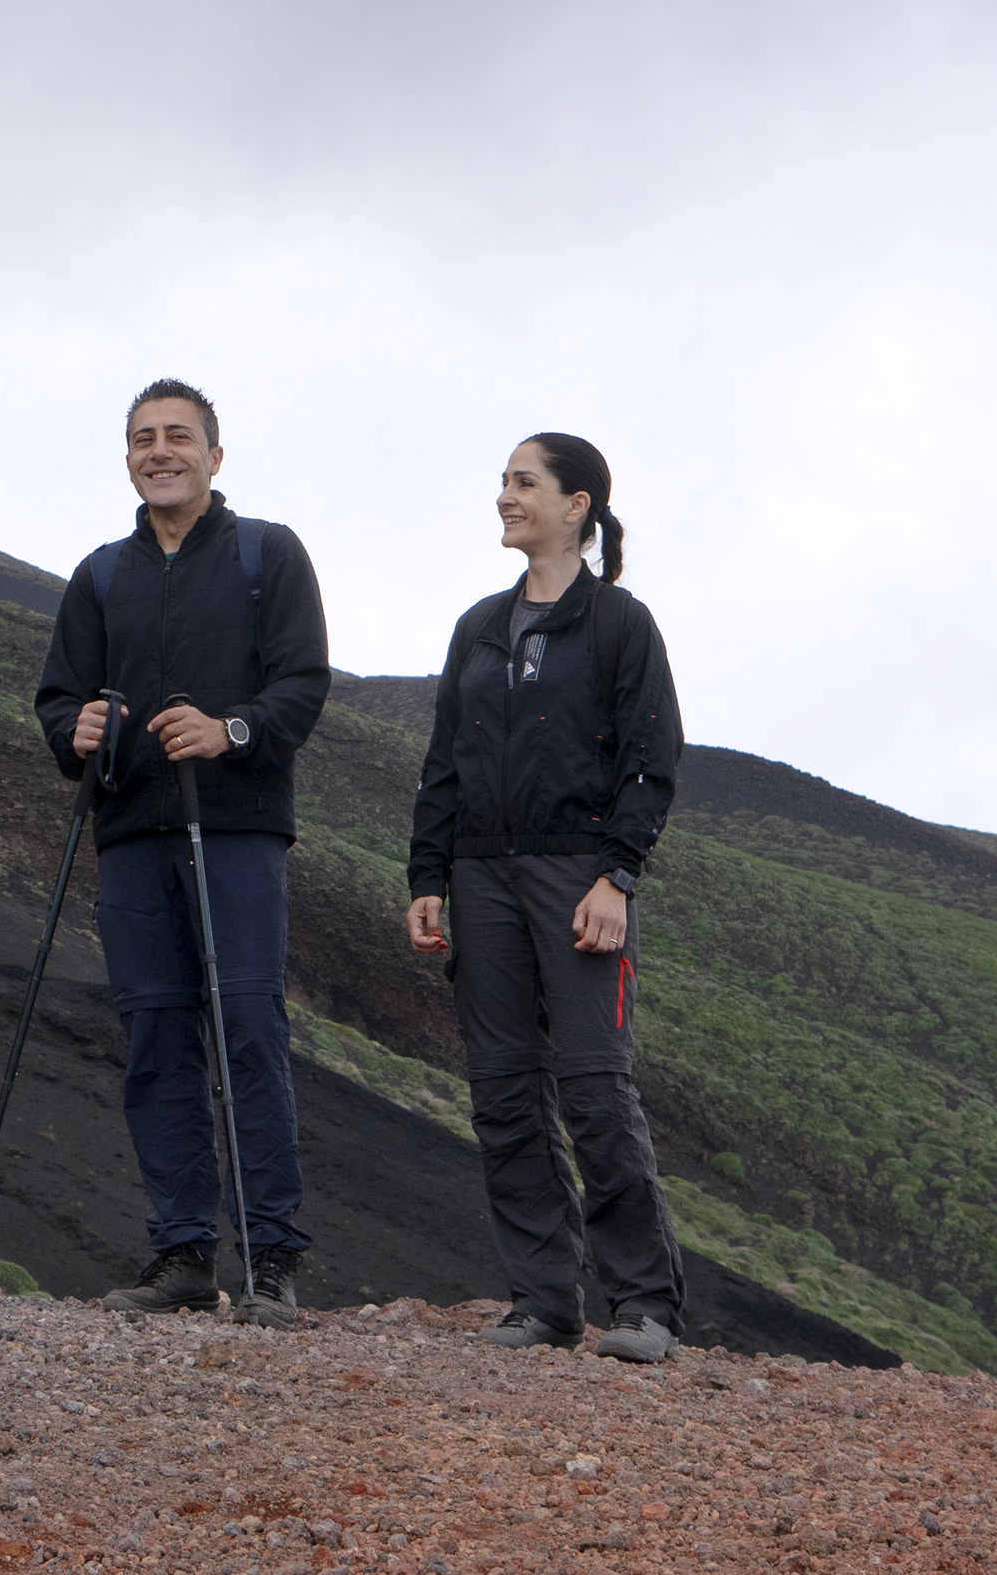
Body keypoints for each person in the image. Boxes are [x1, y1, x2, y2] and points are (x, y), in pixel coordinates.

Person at [34, 378, 332, 1325]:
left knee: (248, 1031)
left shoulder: (265, 555)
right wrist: (74, 728)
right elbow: (56, 699)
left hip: (237, 832)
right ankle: (182, 1255)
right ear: (127, 457)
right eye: (142, 439)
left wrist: (232, 732)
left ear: (215, 452)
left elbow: (303, 684)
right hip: (130, 836)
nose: (159, 452)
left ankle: (273, 1258)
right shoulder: (100, 575)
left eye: (178, 437)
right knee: (157, 1041)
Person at [406, 431, 686, 1360]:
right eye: (502, 481)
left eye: (524, 483)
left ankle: (644, 1305)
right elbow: (442, 765)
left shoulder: (618, 624)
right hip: (481, 876)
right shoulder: (479, 626)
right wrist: (428, 876)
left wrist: (617, 876)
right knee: (502, 1092)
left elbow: (651, 763)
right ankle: (544, 1302)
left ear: (578, 505)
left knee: (595, 1087)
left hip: (578, 876)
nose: (504, 496)